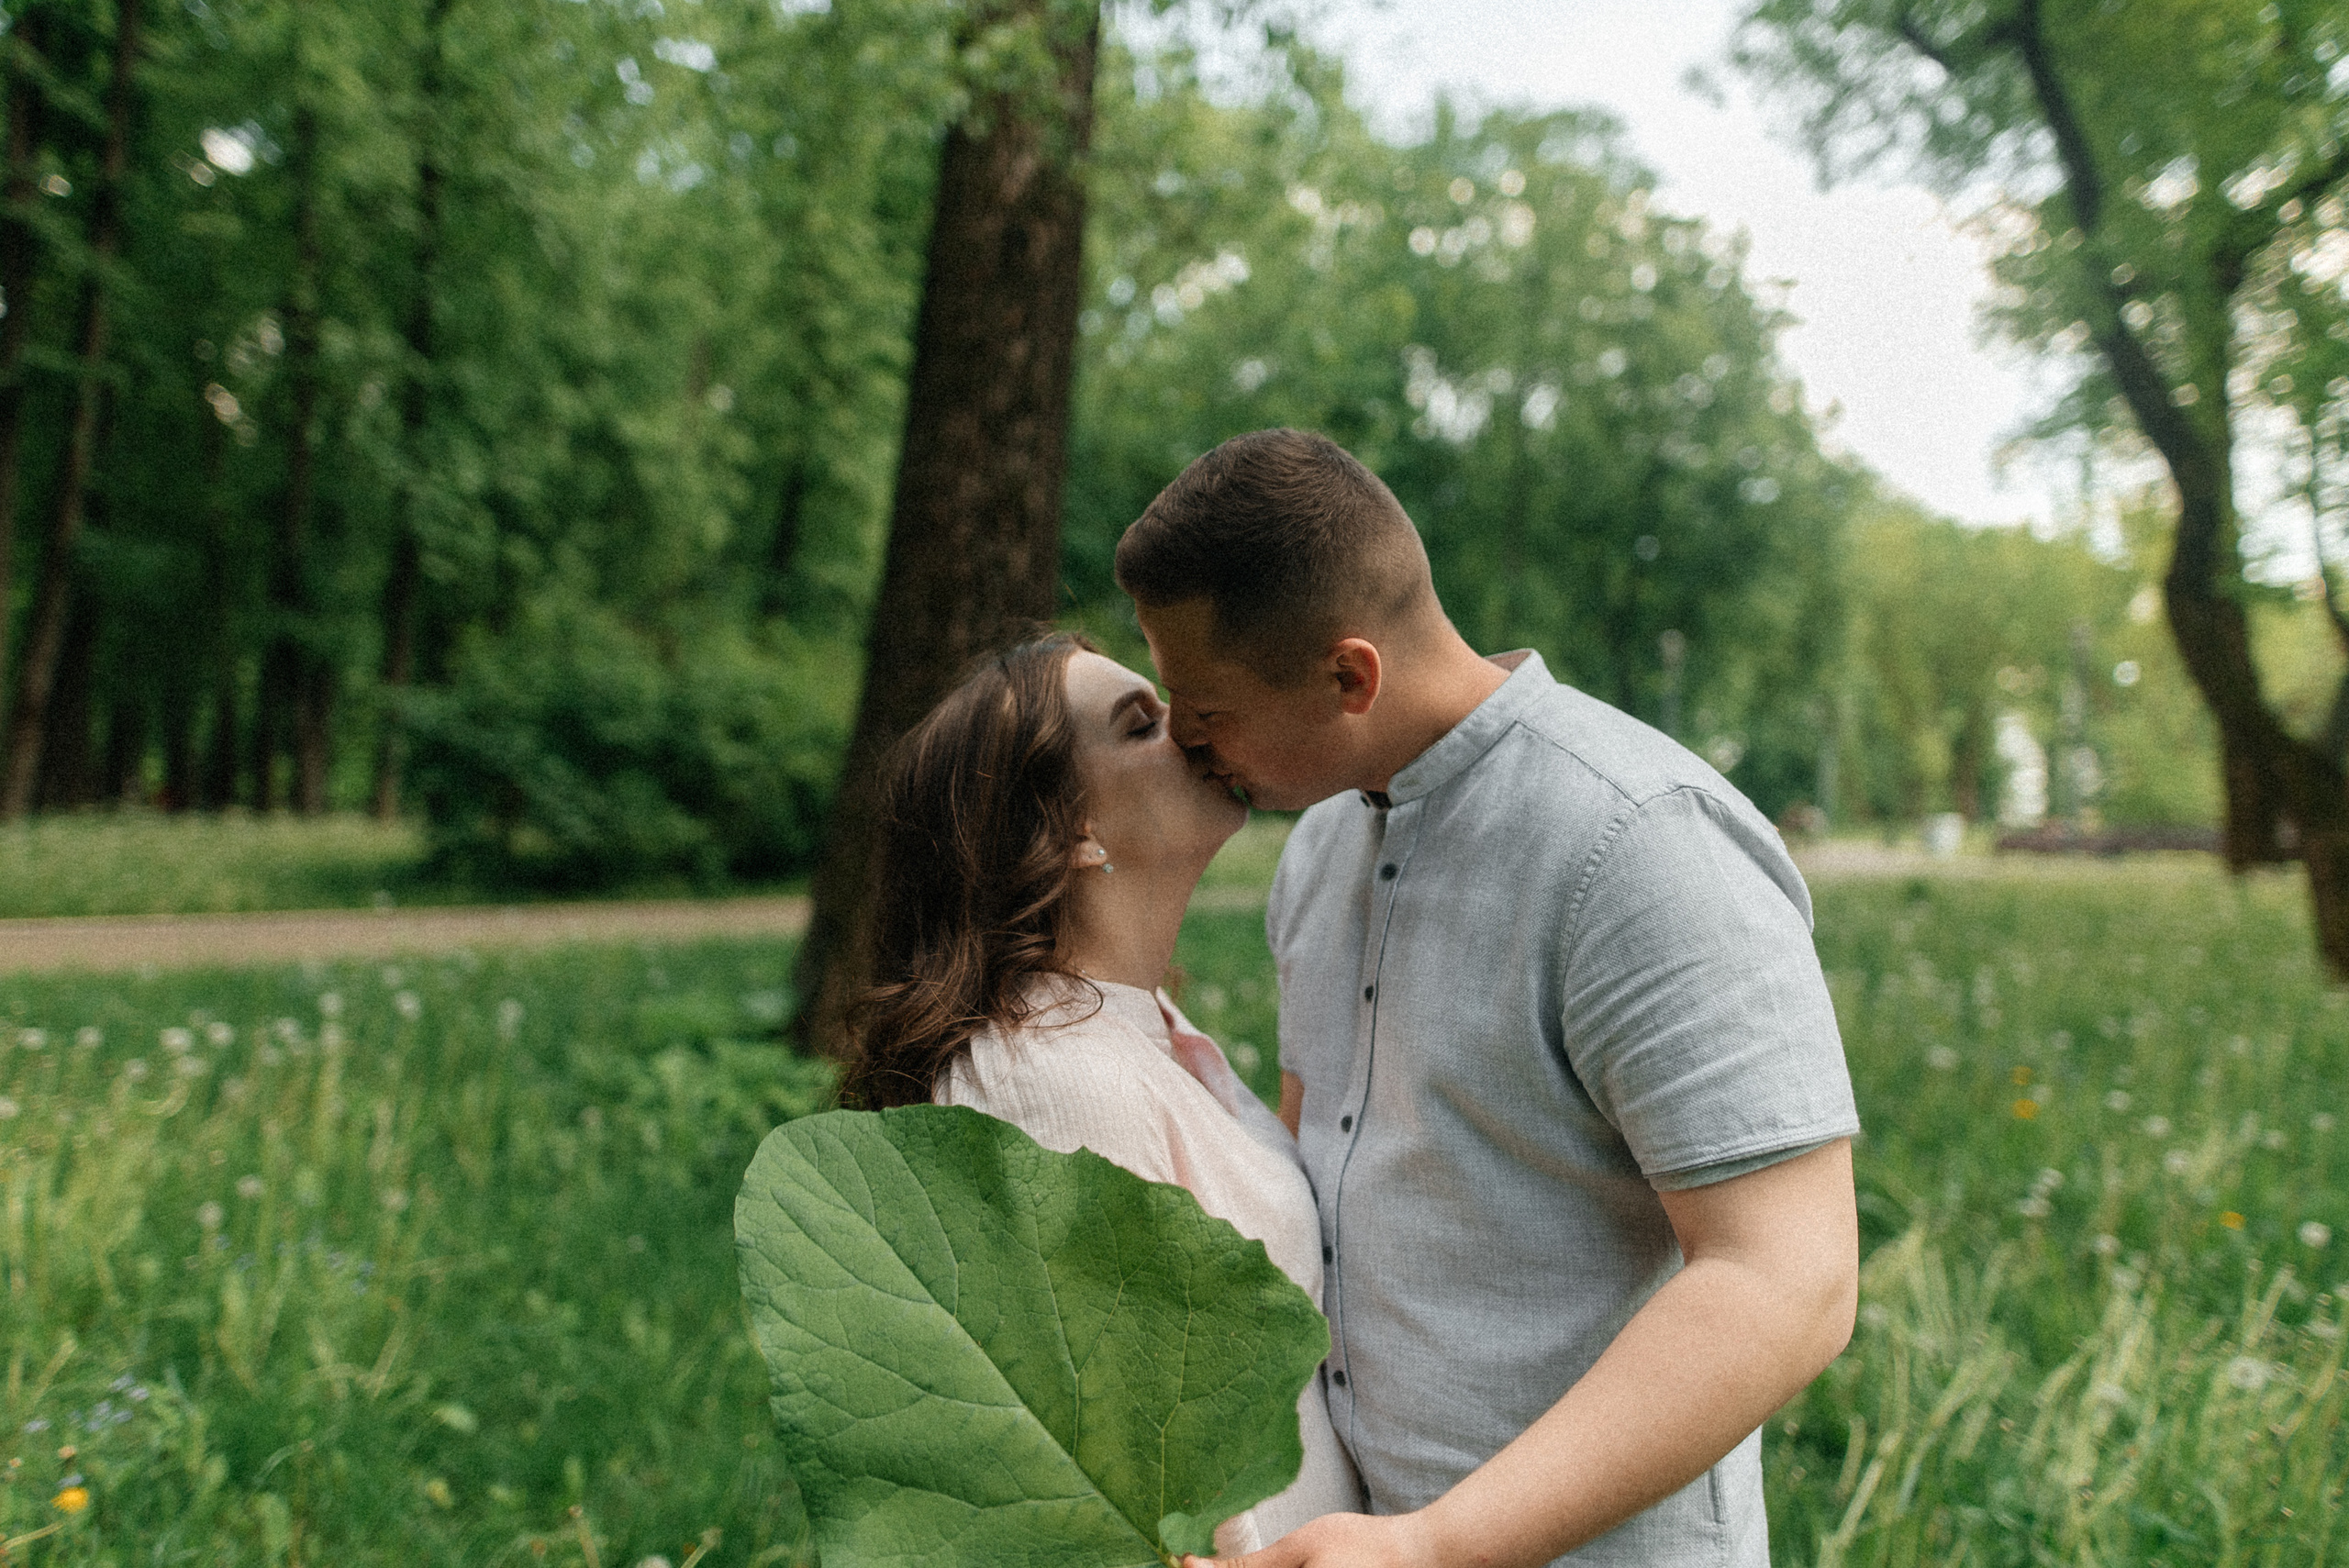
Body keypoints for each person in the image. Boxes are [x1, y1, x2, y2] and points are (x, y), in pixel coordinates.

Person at [1114, 428, 1862, 1568]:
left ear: (1348, 674)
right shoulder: (1316, 854)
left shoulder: (1641, 844)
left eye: (1205, 708)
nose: (1185, 742)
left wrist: (1437, 1542)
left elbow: (1788, 1279)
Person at [841, 630, 1366, 1556]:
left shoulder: (1135, 1027)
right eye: (1142, 725)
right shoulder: (1047, 1080)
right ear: (1069, 829)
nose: (1194, 728)